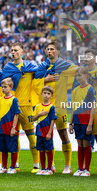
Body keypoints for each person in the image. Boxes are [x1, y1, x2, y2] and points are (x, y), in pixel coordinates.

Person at [34, 42, 76, 174]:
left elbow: (79, 72)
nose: (49, 51)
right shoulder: (42, 67)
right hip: (46, 106)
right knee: (47, 136)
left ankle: (67, 165)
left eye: (52, 49)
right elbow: (35, 86)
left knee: (63, 134)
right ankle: (50, 165)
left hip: (60, 105)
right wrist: (46, 79)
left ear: (58, 51)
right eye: (48, 49)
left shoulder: (65, 66)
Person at [2, 43, 39, 172]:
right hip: (12, 107)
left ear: (22, 51)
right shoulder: (8, 68)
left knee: (31, 135)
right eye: (11, 50)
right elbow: (3, 83)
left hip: (26, 106)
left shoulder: (30, 67)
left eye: (16, 50)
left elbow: (39, 77)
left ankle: (36, 165)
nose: (13, 52)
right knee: (14, 137)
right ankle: (15, 164)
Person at [69, 67, 96, 177]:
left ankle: (87, 169)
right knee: (79, 143)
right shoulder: (75, 90)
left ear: (86, 76)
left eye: (80, 75)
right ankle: (80, 168)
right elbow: (73, 108)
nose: (78, 77)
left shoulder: (91, 89)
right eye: (77, 75)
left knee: (86, 143)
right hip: (77, 120)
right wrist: (70, 123)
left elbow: (93, 107)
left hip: (86, 120)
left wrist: (90, 124)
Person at [0, 78, 20, 174]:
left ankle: (13, 167)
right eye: (2, 87)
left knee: (13, 148)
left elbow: (16, 114)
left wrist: (14, 128)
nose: (3, 89)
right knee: (3, 149)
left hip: (10, 129)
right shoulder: (0, 99)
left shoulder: (14, 100)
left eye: (5, 87)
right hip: (2, 128)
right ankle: (4, 167)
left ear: (11, 87)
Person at [33, 86, 57, 176]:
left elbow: (52, 120)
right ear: (41, 94)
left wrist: (50, 132)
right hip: (39, 132)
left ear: (51, 96)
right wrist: (39, 114)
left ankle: (49, 168)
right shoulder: (38, 106)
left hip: (47, 132)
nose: (46, 95)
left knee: (48, 150)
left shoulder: (51, 107)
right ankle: (42, 168)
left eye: (48, 93)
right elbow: (33, 118)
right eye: (45, 93)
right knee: (41, 150)